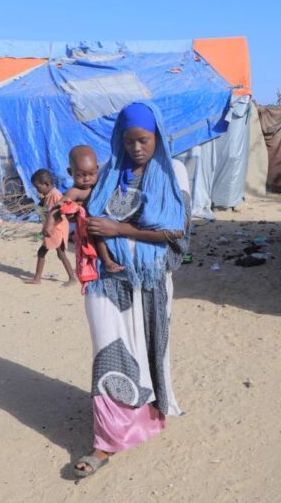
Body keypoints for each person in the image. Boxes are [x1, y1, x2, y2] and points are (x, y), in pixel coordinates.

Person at [72, 102, 191, 477]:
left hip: (152, 282)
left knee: (146, 350)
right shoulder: (108, 174)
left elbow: (178, 232)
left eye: (144, 140)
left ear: (156, 136)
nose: (137, 148)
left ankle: (143, 419)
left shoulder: (175, 173)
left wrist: (121, 230)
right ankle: (105, 441)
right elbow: (88, 219)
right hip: (108, 285)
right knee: (109, 353)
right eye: (129, 141)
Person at [51, 146, 124, 274]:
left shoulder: (100, 184)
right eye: (81, 175)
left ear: (97, 169)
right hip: (89, 225)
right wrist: (49, 224)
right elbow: (57, 206)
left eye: (91, 174)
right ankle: (107, 261)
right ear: (70, 172)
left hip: (104, 220)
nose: (87, 179)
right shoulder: (75, 191)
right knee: (98, 237)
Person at [24, 169, 76, 285]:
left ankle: (72, 278)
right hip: (53, 228)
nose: (38, 190)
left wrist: (47, 227)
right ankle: (37, 278)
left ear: (46, 184)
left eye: (38, 187)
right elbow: (44, 207)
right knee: (47, 252)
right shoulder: (49, 194)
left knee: (58, 253)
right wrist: (41, 199)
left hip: (56, 229)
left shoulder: (56, 195)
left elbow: (57, 212)